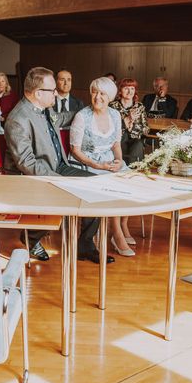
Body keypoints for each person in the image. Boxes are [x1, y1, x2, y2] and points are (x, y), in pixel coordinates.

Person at [5, 67, 112, 264]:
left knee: (96, 186)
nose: (56, 93)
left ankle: (85, 245)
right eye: (52, 89)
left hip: (59, 165)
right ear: (38, 93)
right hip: (34, 175)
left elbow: (61, 119)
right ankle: (31, 236)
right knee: (66, 194)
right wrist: (60, 181)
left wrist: (89, 110)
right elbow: (26, 162)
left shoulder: (46, 108)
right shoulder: (17, 119)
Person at [70, 77, 134, 257]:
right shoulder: (82, 117)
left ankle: (123, 225)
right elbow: (75, 151)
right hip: (86, 162)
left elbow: (115, 144)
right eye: (94, 92)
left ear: (111, 96)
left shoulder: (115, 115)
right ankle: (117, 233)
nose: (97, 97)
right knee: (110, 188)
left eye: (102, 93)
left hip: (109, 159)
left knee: (130, 181)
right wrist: (98, 165)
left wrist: (119, 161)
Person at [110, 78, 149, 164]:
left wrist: (132, 127)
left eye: (132, 88)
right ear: (120, 90)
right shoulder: (113, 106)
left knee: (138, 144)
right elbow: (110, 128)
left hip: (134, 139)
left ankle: (133, 170)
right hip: (118, 140)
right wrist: (127, 120)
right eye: (126, 88)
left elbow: (146, 129)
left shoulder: (140, 106)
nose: (130, 91)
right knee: (121, 142)